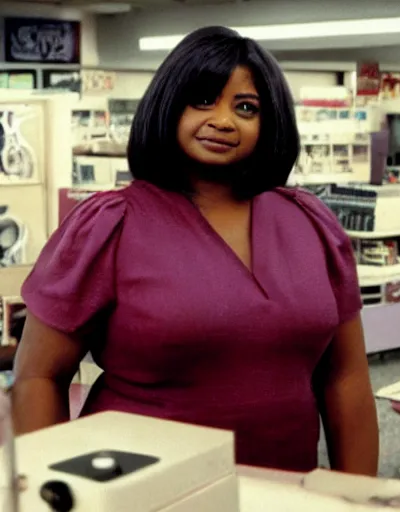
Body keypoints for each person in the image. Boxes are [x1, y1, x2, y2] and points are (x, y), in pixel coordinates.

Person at [12, 26, 379, 475]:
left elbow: (346, 378)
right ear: (169, 105)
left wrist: (358, 494)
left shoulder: (311, 223)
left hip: (286, 488)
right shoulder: (110, 225)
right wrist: (55, 493)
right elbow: (38, 376)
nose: (223, 120)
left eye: (246, 108)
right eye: (203, 100)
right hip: (141, 490)